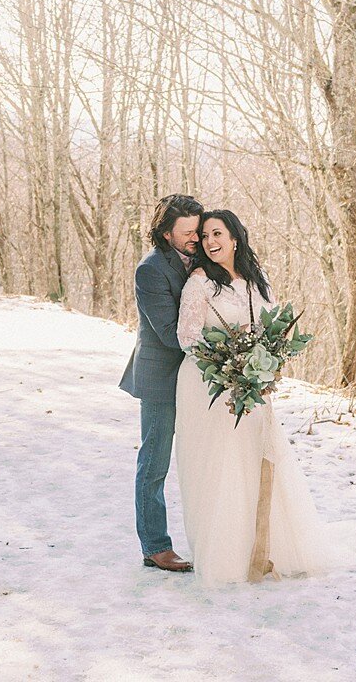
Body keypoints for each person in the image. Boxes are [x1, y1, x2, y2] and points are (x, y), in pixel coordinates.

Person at [174, 209, 356, 584]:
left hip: (252, 384)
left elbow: (269, 327)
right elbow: (188, 337)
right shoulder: (200, 282)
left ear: (236, 238)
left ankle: (262, 550)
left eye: (217, 234)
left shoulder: (258, 280)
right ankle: (224, 559)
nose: (210, 243)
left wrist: (262, 362)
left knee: (255, 462)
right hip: (208, 384)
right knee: (220, 466)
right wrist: (229, 363)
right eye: (205, 237)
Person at [118, 194, 204, 572]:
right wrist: (226, 344)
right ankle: (155, 546)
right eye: (187, 232)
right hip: (161, 379)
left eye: (198, 231)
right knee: (154, 464)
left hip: (198, 378)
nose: (195, 239)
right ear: (166, 233)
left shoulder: (202, 260)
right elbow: (171, 334)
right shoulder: (150, 270)